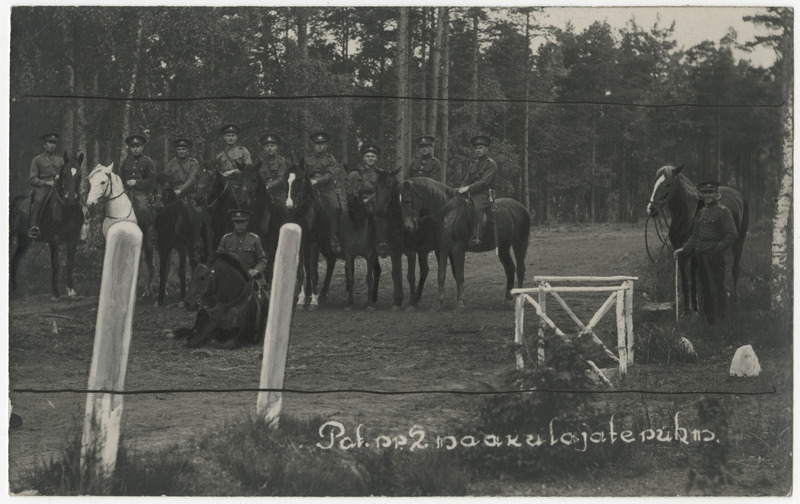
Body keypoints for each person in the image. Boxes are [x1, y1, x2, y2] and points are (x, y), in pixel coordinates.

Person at [673, 181, 738, 324]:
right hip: (701, 253)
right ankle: (709, 318)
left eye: (711, 192)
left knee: (717, 284)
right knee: (705, 286)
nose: (708, 195)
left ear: (716, 194)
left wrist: (718, 248)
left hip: (715, 254)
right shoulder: (702, 212)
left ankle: (721, 317)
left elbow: (732, 234)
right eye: (705, 193)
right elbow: (695, 235)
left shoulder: (723, 211)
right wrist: (684, 248)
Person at [302, 131, 341, 253]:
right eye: (317, 144)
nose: (319, 146)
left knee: (334, 207)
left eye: (322, 144)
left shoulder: (330, 159)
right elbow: (303, 173)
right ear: (314, 145)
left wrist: (316, 181)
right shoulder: (308, 159)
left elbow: (330, 175)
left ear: (326, 145)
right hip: (310, 189)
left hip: (326, 189)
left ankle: (333, 236)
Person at [165, 138, 204, 256]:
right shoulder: (172, 163)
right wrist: (169, 189)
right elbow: (167, 177)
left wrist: (181, 190)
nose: (181, 151)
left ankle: (198, 239)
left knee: (198, 212)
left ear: (188, 151)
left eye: (184, 149)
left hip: (189, 193)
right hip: (173, 192)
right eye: (179, 149)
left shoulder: (194, 163)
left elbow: (192, 179)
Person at [458, 135, 497, 246]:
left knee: (477, 208)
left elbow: (484, 182)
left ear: (487, 149)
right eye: (476, 148)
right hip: (471, 193)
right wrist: (460, 189)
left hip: (484, 194)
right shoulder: (474, 164)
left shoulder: (491, 164)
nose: (478, 150)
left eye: (481, 148)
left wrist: (468, 188)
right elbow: (467, 179)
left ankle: (477, 236)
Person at [119, 134, 157, 250]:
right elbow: (120, 177)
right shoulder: (126, 161)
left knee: (143, 210)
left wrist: (136, 182)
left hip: (141, 192)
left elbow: (152, 181)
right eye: (133, 147)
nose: (135, 149)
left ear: (142, 147)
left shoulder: (147, 162)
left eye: (138, 146)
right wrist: (123, 186)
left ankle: (149, 239)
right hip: (126, 192)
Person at [217, 209, 269, 288]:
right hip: (230, 276)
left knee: (264, 291)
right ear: (233, 223)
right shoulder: (226, 239)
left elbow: (262, 259)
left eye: (242, 222)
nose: (239, 225)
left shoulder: (254, 239)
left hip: (250, 276)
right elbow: (219, 259)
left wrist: (256, 270)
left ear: (247, 222)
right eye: (236, 222)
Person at [28, 132, 63, 238]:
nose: (52, 145)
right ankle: (34, 226)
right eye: (50, 142)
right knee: (38, 200)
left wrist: (59, 177)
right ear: (44, 144)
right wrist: (45, 182)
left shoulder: (60, 160)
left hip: (57, 186)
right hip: (43, 188)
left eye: (54, 143)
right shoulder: (37, 160)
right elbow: (32, 178)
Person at [215, 123, 252, 190]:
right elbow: (216, 171)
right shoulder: (220, 155)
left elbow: (248, 169)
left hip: (240, 185)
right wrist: (221, 174)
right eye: (228, 136)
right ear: (224, 138)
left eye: (233, 135)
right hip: (225, 185)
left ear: (236, 137)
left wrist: (233, 171)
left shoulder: (243, 151)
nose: (231, 138)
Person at [257, 132, 289, 203]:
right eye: (267, 146)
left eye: (272, 146)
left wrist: (268, 186)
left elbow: (281, 179)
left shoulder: (281, 161)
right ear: (264, 148)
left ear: (276, 147)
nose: (269, 148)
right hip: (264, 193)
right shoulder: (261, 162)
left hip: (278, 194)